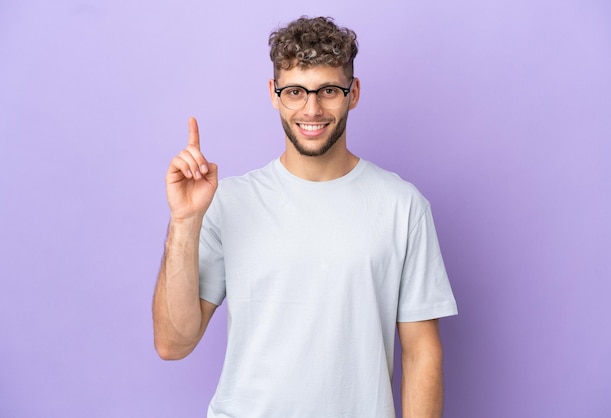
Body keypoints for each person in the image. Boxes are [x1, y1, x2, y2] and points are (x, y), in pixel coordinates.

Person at [152, 16, 457, 418]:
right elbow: (174, 344)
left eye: (328, 90)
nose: (311, 109)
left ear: (354, 93)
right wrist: (184, 222)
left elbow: (421, 353)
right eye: (295, 91)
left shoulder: (402, 206)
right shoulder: (228, 202)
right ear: (274, 94)